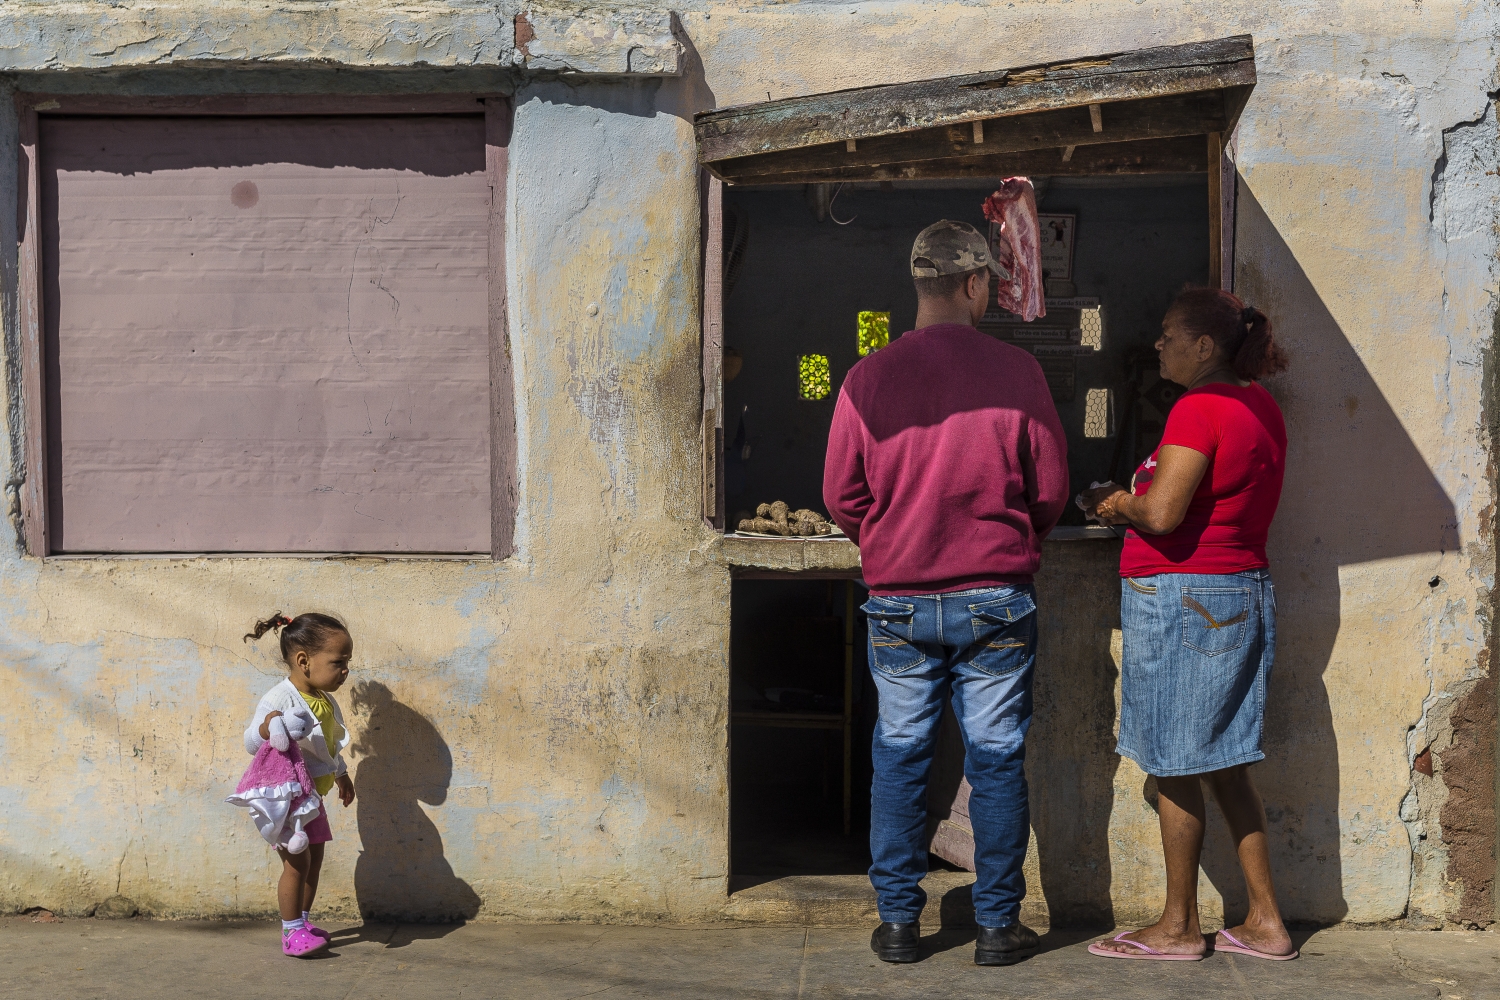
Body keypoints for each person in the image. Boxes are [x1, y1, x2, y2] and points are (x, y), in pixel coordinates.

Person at [824, 220, 1068, 967]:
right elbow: (1051, 491)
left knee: (899, 756)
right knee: (995, 759)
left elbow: (841, 495)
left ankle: (899, 923)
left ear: (918, 284)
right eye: (989, 284)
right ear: (971, 285)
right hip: (995, 596)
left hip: (897, 601)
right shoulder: (1018, 375)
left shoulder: (867, 378)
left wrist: (894, 535)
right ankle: (996, 928)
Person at [1079, 287, 1296, 962]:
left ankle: (1177, 928)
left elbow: (1165, 513)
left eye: (1170, 334)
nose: (1159, 344)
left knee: (1173, 762)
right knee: (1226, 765)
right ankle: (1266, 922)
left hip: (1186, 600)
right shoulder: (1257, 401)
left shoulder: (1202, 406)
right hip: (1238, 591)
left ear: (1204, 346)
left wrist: (1114, 502)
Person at [243, 612, 356, 957]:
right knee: (297, 864)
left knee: (314, 860)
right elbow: (251, 740)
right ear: (304, 661)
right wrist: (268, 728)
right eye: (339, 662)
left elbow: (329, 745)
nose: (346, 670)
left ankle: (303, 921)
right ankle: (290, 932)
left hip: (312, 797)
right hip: (289, 800)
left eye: (347, 662)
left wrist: (341, 775)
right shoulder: (280, 698)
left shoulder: (324, 699)